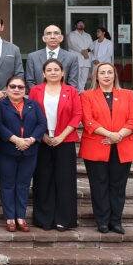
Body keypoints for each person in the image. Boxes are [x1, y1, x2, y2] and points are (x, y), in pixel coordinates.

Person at [80, 62, 133, 234]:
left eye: (109, 72)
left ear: (115, 75)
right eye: (102, 73)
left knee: (118, 186)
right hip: (96, 146)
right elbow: (88, 120)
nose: (106, 76)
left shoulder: (128, 94)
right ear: (96, 77)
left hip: (122, 146)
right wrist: (110, 134)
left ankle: (116, 221)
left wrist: (118, 135)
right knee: (99, 185)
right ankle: (103, 221)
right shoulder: (87, 95)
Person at [28, 58, 81, 231]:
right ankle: (44, 219)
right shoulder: (36, 91)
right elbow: (32, 115)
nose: (53, 72)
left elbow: (77, 115)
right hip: (42, 141)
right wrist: (42, 136)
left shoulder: (71, 91)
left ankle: (64, 219)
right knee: (43, 180)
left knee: (65, 180)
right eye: (49, 69)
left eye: (56, 69)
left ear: (62, 73)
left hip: (65, 141)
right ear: (43, 73)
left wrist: (61, 136)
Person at [0, 76, 46, 232]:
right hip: (6, 151)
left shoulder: (33, 105)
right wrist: (15, 139)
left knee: (23, 185)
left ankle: (21, 217)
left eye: (20, 87)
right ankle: (10, 217)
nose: (16, 89)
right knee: (7, 184)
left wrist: (31, 139)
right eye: (13, 86)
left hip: (29, 151)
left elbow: (42, 124)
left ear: (25, 90)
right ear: (7, 88)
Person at [25, 24, 80, 89]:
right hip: (38, 97)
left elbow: (73, 83)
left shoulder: (72, 58)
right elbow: (30, 81)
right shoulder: (32, 57)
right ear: (44, 38)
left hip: (63, 97)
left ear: (61, 38)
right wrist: (40, 95)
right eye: (48, 34)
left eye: (56, 33)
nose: (52, 37)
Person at [66, 19, 94, 92]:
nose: (81, 25)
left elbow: (92, 45)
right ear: (76, 25)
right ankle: (76, 92)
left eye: (82, 24)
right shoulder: (71, 34)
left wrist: (87, 51)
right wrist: (82, 51)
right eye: (79, 23)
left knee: (84, 77)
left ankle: (81, 91)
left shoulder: (87, 35)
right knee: (76, 76)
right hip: (77, 58)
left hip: (86, 59)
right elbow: (72, 45)